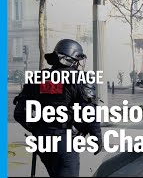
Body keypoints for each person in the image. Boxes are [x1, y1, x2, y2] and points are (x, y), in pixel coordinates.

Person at [13, 39, 102, 177]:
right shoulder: (80, 79)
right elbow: (89, 113)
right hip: (64, 142)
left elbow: (19, 113)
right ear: (71, 60)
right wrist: (97, 137)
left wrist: (38, 129)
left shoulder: (38, 78)